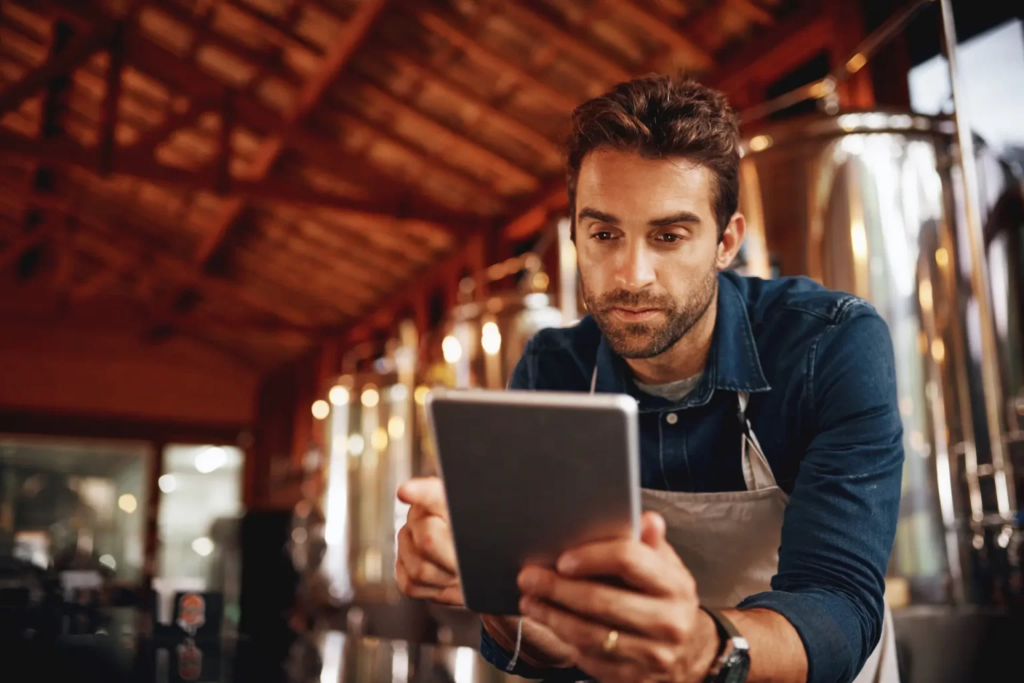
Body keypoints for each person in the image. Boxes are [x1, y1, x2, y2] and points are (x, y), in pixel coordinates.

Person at [396, 76, 903, 683]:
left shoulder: (829, 347)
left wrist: (704, 652)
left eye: (668, 236)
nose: (632, 274)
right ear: (577, 236)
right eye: (605, 234)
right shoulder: (553, 370)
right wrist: (497, 588)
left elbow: (839, 602)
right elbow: (553, 648)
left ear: (726, 242)